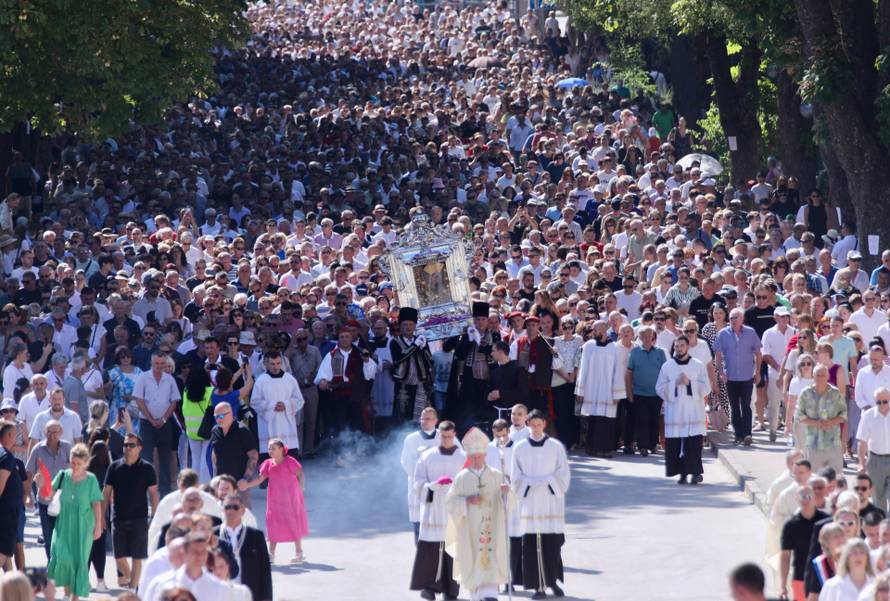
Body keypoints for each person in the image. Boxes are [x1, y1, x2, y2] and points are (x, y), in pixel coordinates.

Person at [445, 427, 510, 601]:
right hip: (470, 530)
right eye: (472, 457)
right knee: (473, 560)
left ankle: (490, 595)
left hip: (492, 527)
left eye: (479, 456)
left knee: (492, 557)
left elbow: (510, 504)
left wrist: (506, 493)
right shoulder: (461, 477)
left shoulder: (497, 476)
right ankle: (477, 595)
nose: (476, 459)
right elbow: (450, 502)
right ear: (468, 457)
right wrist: (466, 501)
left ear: (485, 455)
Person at [511, 409, 570, 599]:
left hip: (550, 503)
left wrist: (547, 482)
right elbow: (515, 477)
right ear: (528, 424)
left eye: (539, 425)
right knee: (532, 545)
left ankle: (552, 582)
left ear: (544, 424)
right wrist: (529, 483)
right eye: (533, 425)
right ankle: (538, 586)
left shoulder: (555, 446)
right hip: (530, 503)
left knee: (552, 545)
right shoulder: (519, 448)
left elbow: (563, 474)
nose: (536, 428)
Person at [35, 443, 103, 601]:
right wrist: (41, 485)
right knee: (63, 557)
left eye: (79, 463)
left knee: (78, 561)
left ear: (86, 463)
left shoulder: (91, 479)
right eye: (72, 462)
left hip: (84, 526)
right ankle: (66, 593)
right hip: (63, 524)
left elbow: (96, 504)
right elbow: (48, 496)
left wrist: (98, 526)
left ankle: (74, 597)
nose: (75, 466)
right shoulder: (63, 475)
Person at [410, 420, 466, 600]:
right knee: (431, 550)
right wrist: (432, 486)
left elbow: (473, 482)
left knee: (452, 550)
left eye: (450, 437)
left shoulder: (463, 458)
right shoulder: (427, 456)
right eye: (443, 437)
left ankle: (451, 591)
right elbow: (417, 482)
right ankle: (429, 587)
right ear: (439, 435)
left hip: (454, 509)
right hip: (433, 508)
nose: (447, 440)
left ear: (454, 435)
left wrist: (456, 488)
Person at [104, 432, 160, 590]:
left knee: (137, 557)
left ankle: (134, 590)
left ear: (139, 448)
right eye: (125, 444)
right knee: (119, 557)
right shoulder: (114, 467)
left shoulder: (147, 468)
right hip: (118, 518)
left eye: (132, 445)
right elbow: (106, 493)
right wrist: (101, 517)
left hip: (139, 519)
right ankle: (133, 582)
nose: (128, 447)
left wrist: (155, 517)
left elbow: (154, 494)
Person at [239, 438, 308, 564]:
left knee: (293, 523)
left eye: (273, 448)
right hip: (275, 499)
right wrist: (247, 485)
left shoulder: (290, 461)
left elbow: (300, 474)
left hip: (291, 498)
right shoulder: (267, 464)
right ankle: (271, 554)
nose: (270, 450)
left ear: (281, 449)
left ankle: (299, 553)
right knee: (273, 524)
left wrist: (301, 486)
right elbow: (260, 479)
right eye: (269, 448)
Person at [655, 335, 709, 484]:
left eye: (682, 346)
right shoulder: (668, 366)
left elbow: (706, 387)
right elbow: (659, 388)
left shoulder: (698, 365)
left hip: (693, 411)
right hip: (676, 412)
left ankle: (696, 473)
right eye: (677, 346)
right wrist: (675, 383)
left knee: (693, 444)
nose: (679, 348)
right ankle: (682, 474)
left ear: (688, 347)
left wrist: (690, 384)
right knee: (677, 444)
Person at [132, 352, 181, 496]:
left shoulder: (170, 379)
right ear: (151, 364)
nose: (159, 367)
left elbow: (174, 401)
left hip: (165, 424)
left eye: (162, 364)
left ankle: (165, 491)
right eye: (156, 364)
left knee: (165, 457)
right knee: (146, 457)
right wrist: (151, 419)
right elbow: (139, 400)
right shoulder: (143, 378)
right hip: (147, 423)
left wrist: (164, 419)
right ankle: (146, 490)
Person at [314, 326, 378, 435]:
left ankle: (357, 450)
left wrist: (366, 360)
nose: (344, 339)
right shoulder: (332, 355)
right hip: (338, 397)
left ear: (351, 338)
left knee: (357, 428)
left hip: (356, 397)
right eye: (342, 337)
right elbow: (322, 375)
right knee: (340, 428)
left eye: (347, 337)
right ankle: (340, 451)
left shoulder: (360, 353)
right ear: (338, 339)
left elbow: (370, 375)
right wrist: (323, 380)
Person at [714, 307, 763, 446]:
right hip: (731, 377)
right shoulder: (723, 334)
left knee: (746, 406)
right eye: (731, 318)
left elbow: (758, 353)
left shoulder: (750, 332)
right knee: (734, 407)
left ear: (742, 319)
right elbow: (718, 354)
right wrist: (721, 372)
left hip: (747, 376)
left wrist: (758, 372)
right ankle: (738, 435)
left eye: (736, 317)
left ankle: (747, 434)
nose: (733, 320)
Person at [25, 419, 71, 558]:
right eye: (49, 432)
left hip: (65, 500)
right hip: (44, 500)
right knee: (49, 537)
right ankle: (52, 569)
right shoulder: (38, 449)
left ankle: (62, 568)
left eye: (55, 432)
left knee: (64, 537)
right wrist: (28, 495)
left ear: (61, 432)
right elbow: (29, 473)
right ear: (45, 432)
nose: (52, 435)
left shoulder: (68, 448)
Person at [214, 494, 273, 601]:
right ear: (222, 510)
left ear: (243, 511)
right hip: (220, 593)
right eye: (227, 507)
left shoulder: (256, 535)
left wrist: (267, 598)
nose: (231, 511)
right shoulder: (213, 534)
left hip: (249, 594)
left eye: (235, 507)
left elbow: (265, 569)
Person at [574, 320, 619, 457]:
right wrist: (580, 390)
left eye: (597, 329)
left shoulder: (614, 347)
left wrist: (617, 393)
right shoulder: (588, 346)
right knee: (593, 419)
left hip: (608, 390)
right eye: (593, 330)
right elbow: (583, 369)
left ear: (605, 329)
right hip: (592, 389)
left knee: (607, 420)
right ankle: (592, 448)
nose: (594, 332)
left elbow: (618, 370)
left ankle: (605, 449)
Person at [143, 532, 231, 601]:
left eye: (203, 552)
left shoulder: (217, 586)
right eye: (195, 552)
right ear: (184, 552)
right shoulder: (161, 583)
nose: (199, 556)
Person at [779, 484, 829, 601]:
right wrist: (783, 585)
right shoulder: (790, 525)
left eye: (808, 496)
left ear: (814, 497)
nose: (805, 499)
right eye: (802, 496)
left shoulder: (826, 521)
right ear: (796, 499)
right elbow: (785, 556)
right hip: (800, 578)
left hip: (824, 576)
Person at [251, 351, 303, 457]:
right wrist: (272, 405)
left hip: (287, 426)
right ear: (267, 364)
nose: (276, 367)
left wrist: (286, 405)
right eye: (273, 364)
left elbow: (299, 400)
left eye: (278, 363)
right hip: (268, 425)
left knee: (289, 459)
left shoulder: (290, 379)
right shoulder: (261, 381)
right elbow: (254, 402)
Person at [796, 364, 847, 472]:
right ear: (813, 377)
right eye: (817, 375)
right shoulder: (805, 393)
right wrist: (816, 423)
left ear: (828, 376)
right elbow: (799, 416)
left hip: (833, 445)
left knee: (835, 481)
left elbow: (844, 414)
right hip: (813, 445)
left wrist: (832, 422)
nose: (820, 378)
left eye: (823, 375)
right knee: (815, 482)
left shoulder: (835, 393)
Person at [401, 407, 441, 542]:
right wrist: (422, 478)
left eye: (428, 418)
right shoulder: (411, 439)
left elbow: (457, 458)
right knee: (419, 522)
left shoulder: (445, 436)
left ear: (435, 420)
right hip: (419, 486)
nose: (424, 421)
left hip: (440, 486)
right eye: (422, 418)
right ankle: (421, 553)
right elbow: (406, 462)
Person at [625, 326, 667, 456]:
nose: (648, 338)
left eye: (650, 336)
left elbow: (665, 372)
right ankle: (642, 446)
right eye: (645, 336)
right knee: (642, 420)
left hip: (656, 394)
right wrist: (629, 392)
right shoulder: (634, 352)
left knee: (654, 419)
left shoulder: (660, 352)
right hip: (639, 393)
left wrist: (666, 392)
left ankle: (653, 445)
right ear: (640, 338)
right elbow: (629, 373)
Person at [210, 402, 258, 507]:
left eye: (221, 416)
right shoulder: (215, 431)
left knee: (244, 518)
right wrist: (215, 478)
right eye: (216, 416)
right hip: (221, 485)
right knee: (222, 517)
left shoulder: (243, 431)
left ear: (231, 414)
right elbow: (214, 454)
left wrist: (245, 479)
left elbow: (253, 456)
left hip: (239, 485)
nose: (218, 419)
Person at [391, 307, 434, 422]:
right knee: (403, 416)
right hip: (403, 384)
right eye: (405, 324)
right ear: (400, 326)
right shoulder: (395, 342)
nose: (408, 327)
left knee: (420, 417)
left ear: (415, 326)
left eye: (411, 324)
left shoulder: (421, 339)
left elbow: (430, 361)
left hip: (420, 383)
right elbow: (399, 359)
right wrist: (414, 346)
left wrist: (424, 348)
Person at [857, 387, 890, 514]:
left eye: (885, 401)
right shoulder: (868, 416)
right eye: (878, 402)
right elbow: (862, 441)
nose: (882, 405)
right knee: (878, 499)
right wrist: (861, 462)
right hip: (875, 460)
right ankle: (882, 528)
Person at [0, 419, 24, 569]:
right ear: (9, 436)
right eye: (15, 435)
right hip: (5, 515)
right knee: (3, 550)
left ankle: (13, 590)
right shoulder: (6, 457)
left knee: (6, 553)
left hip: (8, 513)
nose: (16, 439)